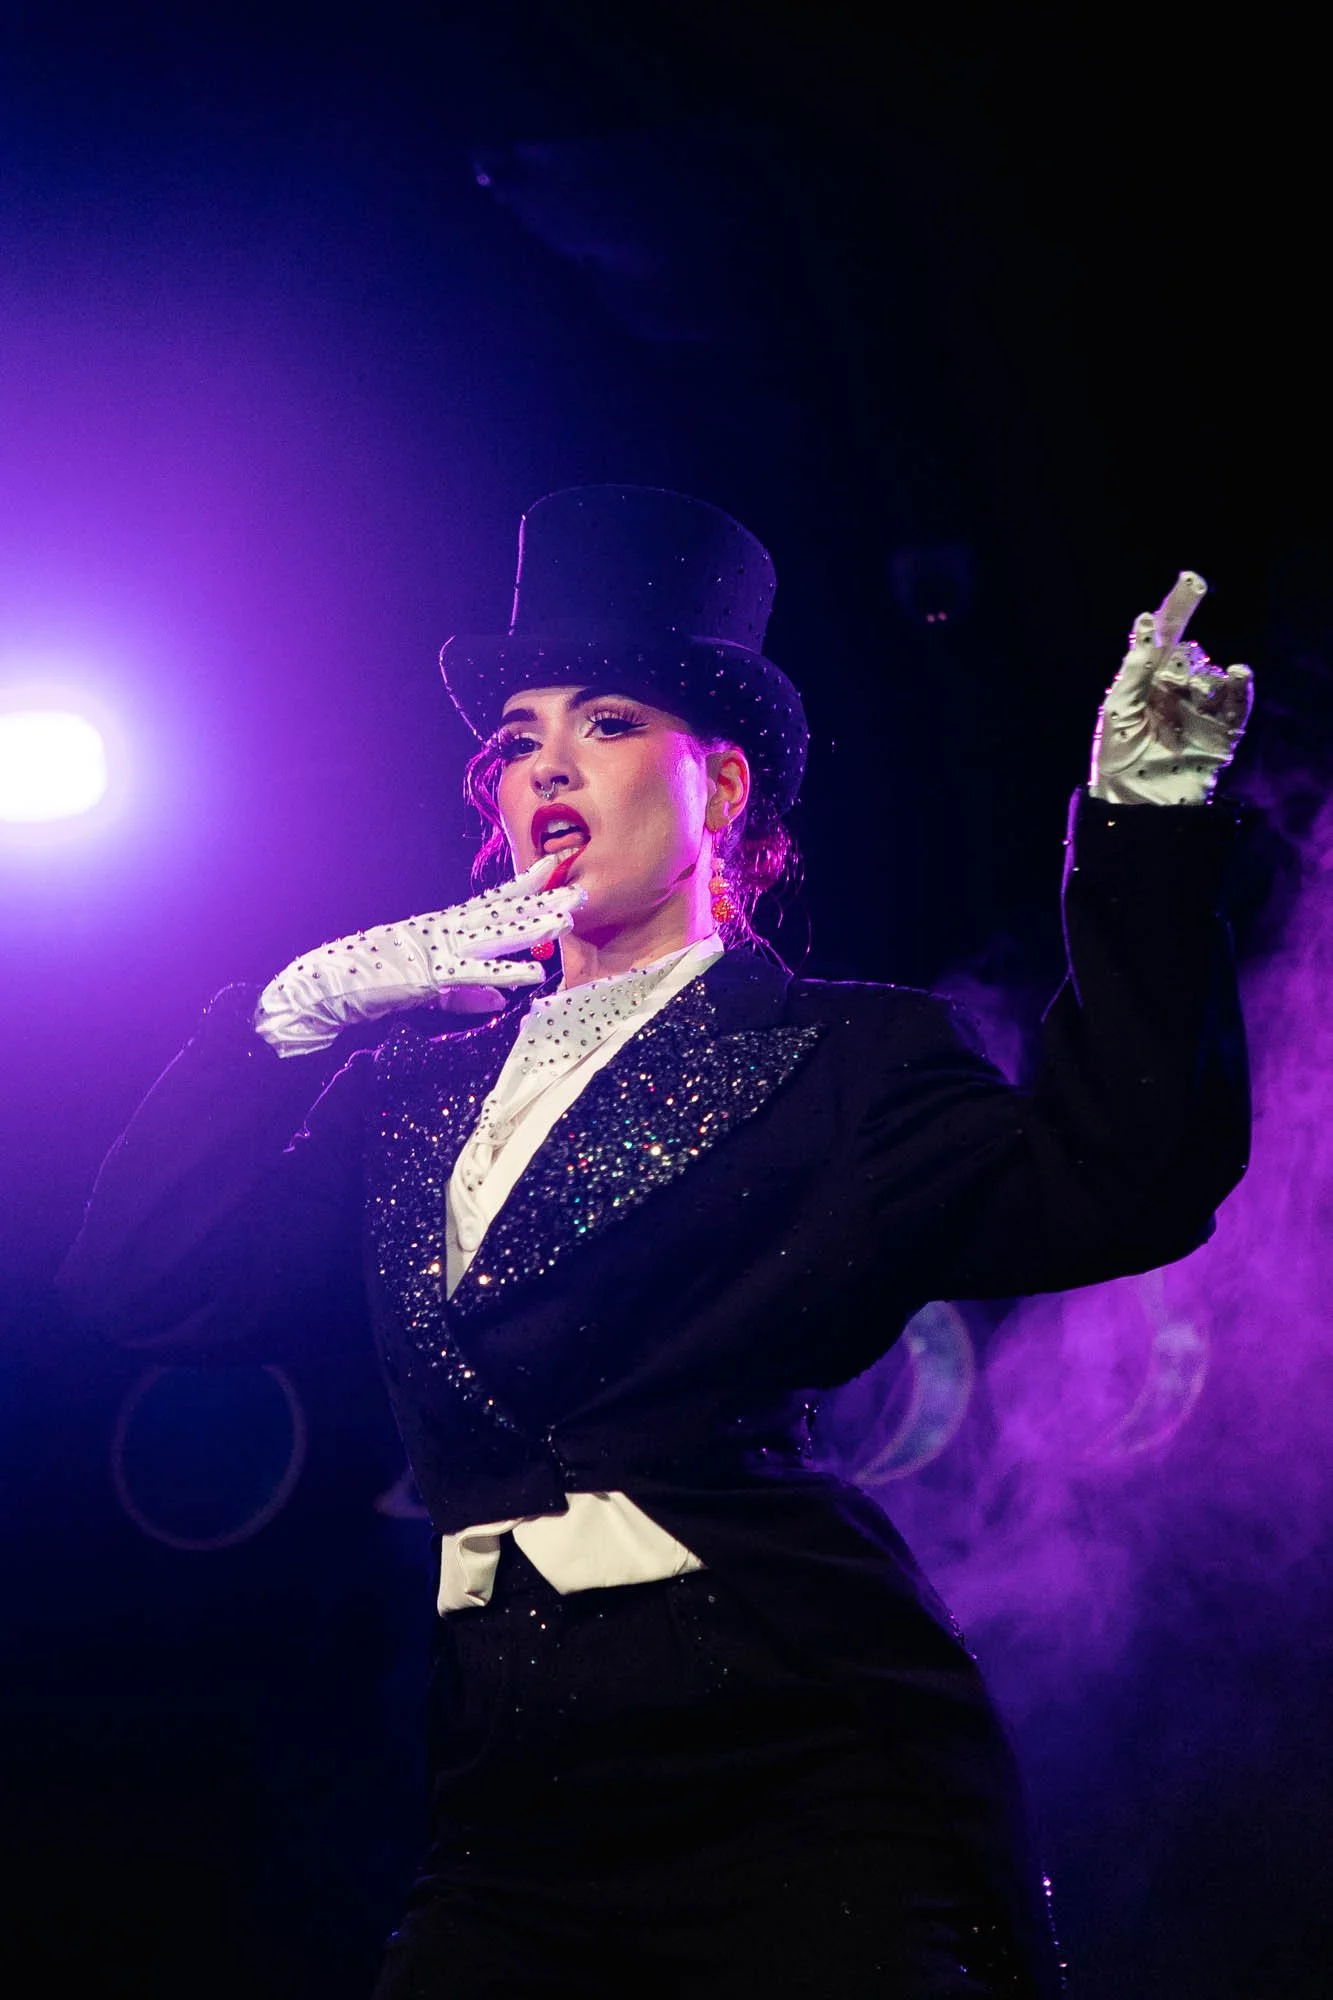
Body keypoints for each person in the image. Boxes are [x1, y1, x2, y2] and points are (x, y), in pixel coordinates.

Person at [59, 485, 1254, 1997]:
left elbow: (1123, 1178)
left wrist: (1151, 836)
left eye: (609, 721)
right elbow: (136, 1280)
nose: (547, 762)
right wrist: (294, 1013)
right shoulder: (411, 1097)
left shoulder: (840, 1059)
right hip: (508, 1800)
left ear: (726, 786)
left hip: (796, 1763)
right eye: (517, 737)